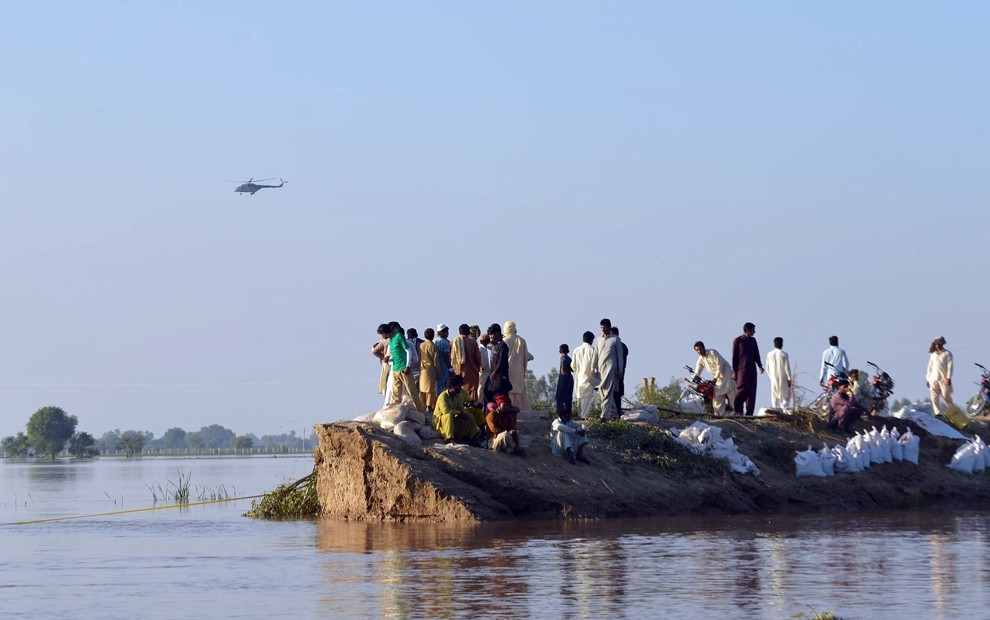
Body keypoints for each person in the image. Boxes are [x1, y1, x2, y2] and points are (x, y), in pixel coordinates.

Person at [433, 376, 485, 445]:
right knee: (448, 416)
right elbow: (445, 411)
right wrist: (459, 413)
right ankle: (449, 439)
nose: (460, 388)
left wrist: (462, 413)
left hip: (452, 420)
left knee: (470, 417)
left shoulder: (458, 396)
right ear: (451, 386)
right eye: (458, 387)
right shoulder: (443, 396)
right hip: (440, 421)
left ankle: (473, 437)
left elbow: (461, 408)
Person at [689, 341, 735, 416]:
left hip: (727, 374)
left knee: (731, 393)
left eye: (700, 349)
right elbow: (697, 372)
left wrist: (715, 378)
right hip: (718, 379)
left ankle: (736, 414)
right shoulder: (701, 360)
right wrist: (692, 383)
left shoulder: (712, 352)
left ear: (704, 348)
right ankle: (719, 416)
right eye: (697, 350)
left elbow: (720, 365)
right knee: (717, 396)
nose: (699, 351)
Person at [387, 322, 424, 412]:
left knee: (411, 393)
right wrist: (389, 359)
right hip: (396, 369)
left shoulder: (409, 344)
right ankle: (396, 412)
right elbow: (393, 356)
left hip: (408, 370)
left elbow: (414, 358)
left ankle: (419, 412)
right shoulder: (391, 342)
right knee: (395, 394)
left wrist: (407, 364)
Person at [594, 318, 625, 420]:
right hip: (600, 370)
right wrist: (592, 368)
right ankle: (614, 414)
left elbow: (620, 356)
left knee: (608, 392)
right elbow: (595, 355)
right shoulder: (598, 340)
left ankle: (604, 416)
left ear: (609, 327)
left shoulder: (615, 339)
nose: (603, 330)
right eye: (601, 328)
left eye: (605, 327)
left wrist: (620, 370)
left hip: (611, 369)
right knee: (602, 392)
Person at [731, 322, 764, 416]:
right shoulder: (737, 341)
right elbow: (734, 357)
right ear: (748, 330)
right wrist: (734, 371)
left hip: (752, 370)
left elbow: (756, 354)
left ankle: (749, 413)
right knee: (741, 390)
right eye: (753, 330)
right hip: (741, 370)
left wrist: (760, 365)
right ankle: (738, 411)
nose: (754, 332)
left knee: (751, 392)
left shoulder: (753, 341)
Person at [503, 321, 534, 411]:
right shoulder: (521, 340)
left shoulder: (505, 341)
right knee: (519, 392)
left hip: (508, 370)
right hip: (519, 370)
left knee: (509, 392)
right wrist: (523, 369)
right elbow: (525, 357)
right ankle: (522, 410)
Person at [452, 324, 483, 401]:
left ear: (459, 332)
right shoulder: (473, 343)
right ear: (469, 332)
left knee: (460, 389)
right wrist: (479, 367)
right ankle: (472, 408)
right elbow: (478, 358)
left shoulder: (454, 342)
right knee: (472, 390)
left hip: (458, 370)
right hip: (472, 370)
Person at [571, 331, 598, 419]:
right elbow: (596, 365)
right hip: (589, 377)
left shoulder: (576, 350)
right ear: (591, 340)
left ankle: (580, 415)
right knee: (587, 397)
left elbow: (573, 366)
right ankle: (584, 416)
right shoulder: (593, 350)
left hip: (579, 377)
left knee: (580, 397)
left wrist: (578, 370)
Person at [926, 335, 954, 416]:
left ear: (942, 344)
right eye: (936, 344)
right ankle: (937, 413)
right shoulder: (933, 354)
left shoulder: (947, 354)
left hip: (943, 379)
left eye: (939, 344)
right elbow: (929, 367)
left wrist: (948, 378)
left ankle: (953, 412)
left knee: (946, 395)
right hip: (933, 378)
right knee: (934, 397)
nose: (937, 346)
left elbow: (950, 366)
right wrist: (928, 379)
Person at [485, 323, 512, 404]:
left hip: (500, 377)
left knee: (501, 397)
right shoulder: (494, 345)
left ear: (497, 333)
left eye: (492, 334)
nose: (490, 336)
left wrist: (495, 371)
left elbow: (502, 361)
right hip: (493, 377)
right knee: (488, 393)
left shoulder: (503, 346)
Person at [765, 336, 793, 411]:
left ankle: (775, 410)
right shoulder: (784, 354)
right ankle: (784, 411)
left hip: (773, 378)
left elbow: (767, 368)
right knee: (785, 396)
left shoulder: (769, 354)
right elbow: (787, 368)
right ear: (782, 344)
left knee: (774, 397)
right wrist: (789, 379)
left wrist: (771, 377)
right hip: (783, 378)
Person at [419, 328, 439, 412]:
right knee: (430, 389)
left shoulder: (421, 345)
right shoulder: (434, 346)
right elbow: (436, 361)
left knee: (422, 388)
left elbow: (419, 357)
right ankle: (429, 406)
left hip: (423, 368)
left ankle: (422, 406)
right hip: (431, 369)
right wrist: (438, 370)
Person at [610, 327, 629, 416]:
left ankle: (616, 412)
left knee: (615, 393)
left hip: (616, 373)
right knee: (617, 393)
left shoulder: (618, 346)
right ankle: (617, 411)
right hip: (620, 373)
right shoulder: (623, 346)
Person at [372, 324, 392, 402]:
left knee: (386, 384)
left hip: (387, 365)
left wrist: (383, 357)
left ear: (383, 333)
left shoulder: (384, 342)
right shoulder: (395, 340)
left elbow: (374, 351)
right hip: (396, 365)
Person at [555, 344, 574, 418]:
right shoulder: (569, 359)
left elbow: (563, 368)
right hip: (570, 378)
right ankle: (568, 414)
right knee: (568, 398)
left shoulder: (562, 358)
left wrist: (564, 372)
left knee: (559, 397)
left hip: (563, 378)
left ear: (560, 351)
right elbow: (573, 369)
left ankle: (561, 414)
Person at [474, 325, 491, 400]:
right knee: (480, 389)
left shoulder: (484, 349)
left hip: (486, 372)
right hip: (483, 372)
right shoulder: (481, 349)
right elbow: (482, 361)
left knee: (483, 389)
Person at [435, 324, 452, 397]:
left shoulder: (434, 341)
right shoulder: (445, 342)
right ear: (441, 332)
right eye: (446, 332)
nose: (448, 334)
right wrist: (450, 367)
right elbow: (446, 356)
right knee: (446, 384)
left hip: (436, 365)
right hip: (444, 365)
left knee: (438, 384)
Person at [406, 327, 423, 393]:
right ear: (417, 334)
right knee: (417, 384)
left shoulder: (405, 343)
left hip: (408, 366)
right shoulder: (422, 342)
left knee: (409, 384)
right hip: (419, 365)